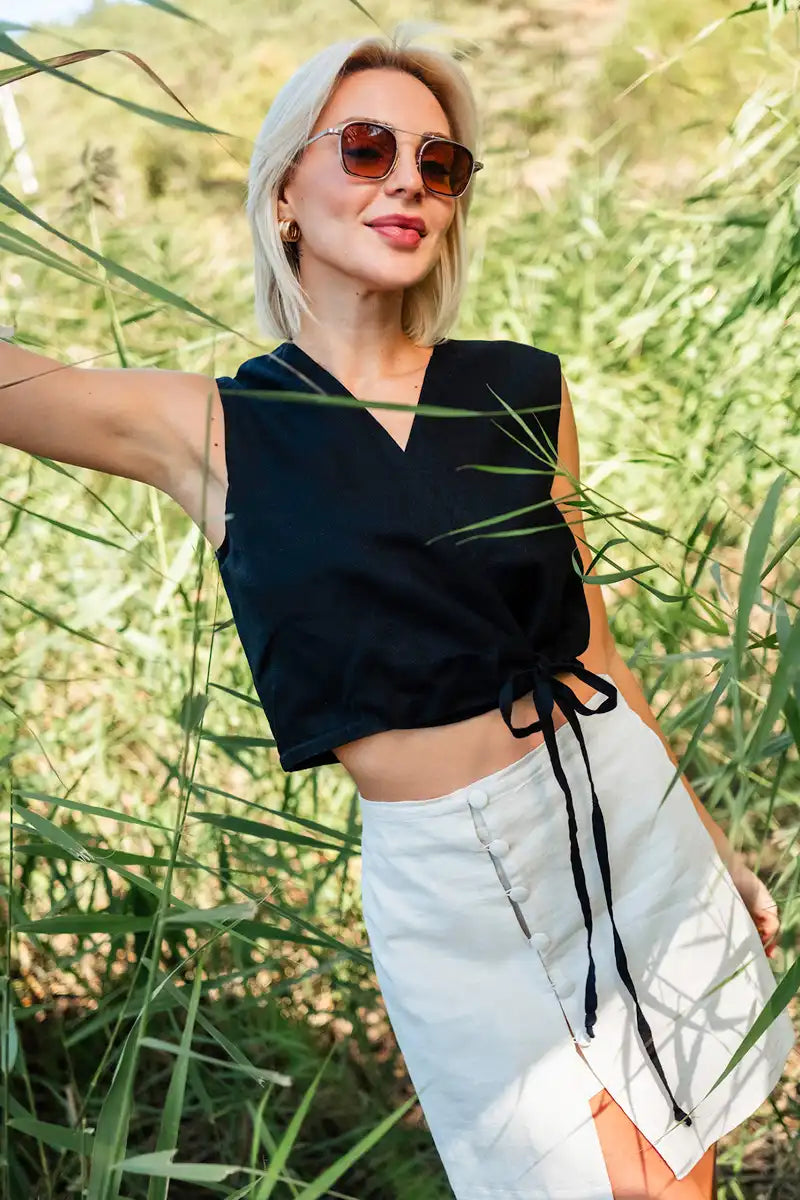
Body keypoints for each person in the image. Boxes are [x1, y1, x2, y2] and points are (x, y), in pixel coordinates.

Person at [1, 22, 794, 1200]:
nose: (404, 184)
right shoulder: (219, 428)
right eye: (366, 148)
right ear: (284, 192)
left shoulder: (523, 385)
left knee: (678, 1162)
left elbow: (595, 647)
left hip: (619, 815)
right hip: (448, 885)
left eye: (438, 163)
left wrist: (708, 840)